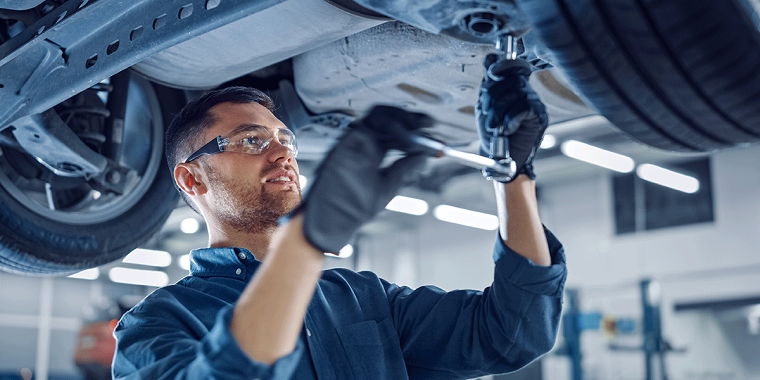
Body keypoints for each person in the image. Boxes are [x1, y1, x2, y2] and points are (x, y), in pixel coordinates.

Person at [112, 54, 567, 379]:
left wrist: (513, 175)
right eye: (252, 141)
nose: (282, 155)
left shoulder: (363, 298)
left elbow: (511, 333)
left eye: (286, 141)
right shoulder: (157, 323)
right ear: (191, 180)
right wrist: (306, 239)